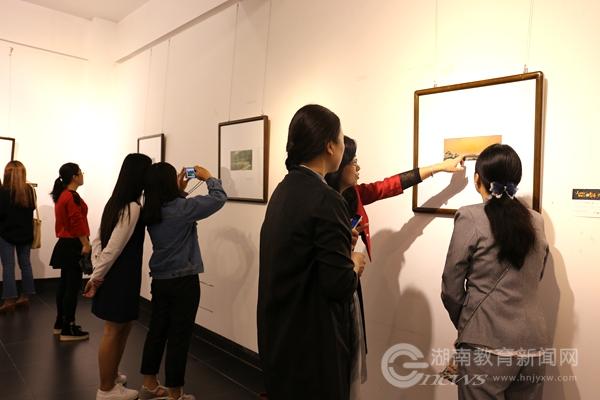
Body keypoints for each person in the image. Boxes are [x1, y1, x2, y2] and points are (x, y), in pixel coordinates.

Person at [324, 135, 464, 398]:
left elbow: (390, 185)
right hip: (334, 283)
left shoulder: (354, 194)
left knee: (351, 345)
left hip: (349, 278)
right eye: (353, 162)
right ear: (338, 165)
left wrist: (439, 167)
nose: (358, 167)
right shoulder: (322, 204)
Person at [258, 104, 367, 400]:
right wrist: (354, 261)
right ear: (330, 146)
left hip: (281, 336)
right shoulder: (326, 198)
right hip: (313, 345)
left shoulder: (284, 189)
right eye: (341, 140)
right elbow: (338, 284)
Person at [441, 144, 549, 399]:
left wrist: (469, 326)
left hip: (486, 345)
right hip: (534, 347)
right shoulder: (536, 220)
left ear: (477, 179)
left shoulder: (469, 216)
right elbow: (537, 275)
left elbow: (451, 287)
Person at [139, 162, 226, 400]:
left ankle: (149, 383)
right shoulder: (182, 208)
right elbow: (218, 198)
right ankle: (175, 393)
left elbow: (172, 207)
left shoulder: (150, 210)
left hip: (160, 279)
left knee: (157, 331)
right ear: (170, 182)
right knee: (179, 336)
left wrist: (179, 190)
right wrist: (208, 177)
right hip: (184, 281)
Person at [82, 154, 152, 400]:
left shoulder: (115, 202)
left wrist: (96, 269)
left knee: (123, 327)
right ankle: (106, 389)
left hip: (116, 275)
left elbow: (97, 240)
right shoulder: (133, 207)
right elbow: (113, 247)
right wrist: (96, 276)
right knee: (114, 330)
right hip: (120, 277)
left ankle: (111, 377)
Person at [49, 162, 90, 341]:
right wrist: (85, 243)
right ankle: (68, 328)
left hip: (65, 244)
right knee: (71, 288)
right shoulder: (71, 196)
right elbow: (76, 221)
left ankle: (60, 323)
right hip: (73, 244)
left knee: (64, 285)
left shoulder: (62, 195)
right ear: (74, 176)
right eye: (81, 172)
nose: (82, 175)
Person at [0, 161, 37, 313]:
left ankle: (9, 300)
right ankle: (25, 296)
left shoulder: (3, 192)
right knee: (26, 264)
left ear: (7, 174)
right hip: (26, 234)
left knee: (8, 267)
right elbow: (32, 208)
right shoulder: (30, 190)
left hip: (6, 234)